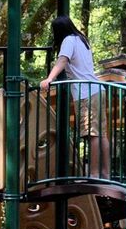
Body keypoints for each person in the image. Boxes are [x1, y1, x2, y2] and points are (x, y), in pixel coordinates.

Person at [40, 15, 110, 179]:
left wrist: (49, 79)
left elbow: (63, 60)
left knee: (91, 134)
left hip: (86, 92)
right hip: (97, 89)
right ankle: (105, 173)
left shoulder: (68, 41)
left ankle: (93, 173)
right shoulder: (81, 39)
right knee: (101, 134)